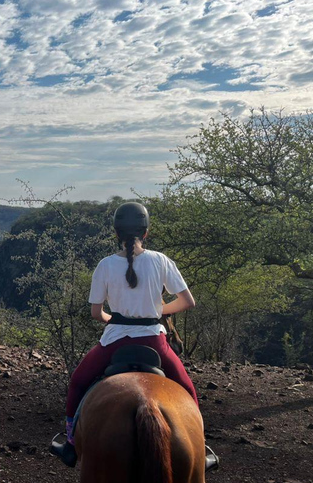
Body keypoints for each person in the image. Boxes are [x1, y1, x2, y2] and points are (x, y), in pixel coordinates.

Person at [50, 201, 219, 471]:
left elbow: (97, 312)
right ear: (146, 232)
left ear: (116, 233)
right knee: (187, 389)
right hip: (155, 341)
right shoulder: (161, 260)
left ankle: (70, 443)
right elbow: (188, 301)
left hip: (114, 342)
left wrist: (112, 319)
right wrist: (156, 310)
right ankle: (201, 445)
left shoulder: (105, 265)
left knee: (78, 382)